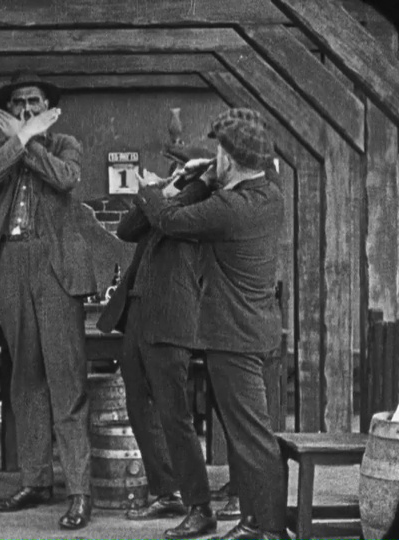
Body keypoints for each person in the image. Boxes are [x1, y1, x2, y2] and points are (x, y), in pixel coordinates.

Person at [136, 108, 289, 540]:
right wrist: (207, 171)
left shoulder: (229, 207)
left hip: (232, 336)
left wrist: (148, 190)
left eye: (220, 150)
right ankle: (255, 521)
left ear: (231, 158)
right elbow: (258, 170)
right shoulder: (269, 194)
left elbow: (169, 220)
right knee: (249, 435)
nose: (215, 155)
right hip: (255, 330)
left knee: (252, 439)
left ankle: (268, 529)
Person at [0, 72, 96, 530]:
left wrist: (31, 141)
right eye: (18, 101)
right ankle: (36, 481)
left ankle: (79, 491)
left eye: (34, 101)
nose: (25, 107)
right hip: (10, 265)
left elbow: (65, 179)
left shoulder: (64, 145)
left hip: (54, 266)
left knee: (66, 380)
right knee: (25, 378)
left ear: (49, 109)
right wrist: (18, 140)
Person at [97, 145, 217, 527]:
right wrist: (160, 190)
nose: (174, 170)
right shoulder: (165, 201)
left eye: (181, 166)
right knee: (140, 406)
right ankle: (166, 493)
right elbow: (125, 230)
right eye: (174, 166)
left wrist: (154, 190)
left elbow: (165, 217)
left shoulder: (199, 199)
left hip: (171, 317)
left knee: (174, 413)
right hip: (139, 313)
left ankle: (198, 503)